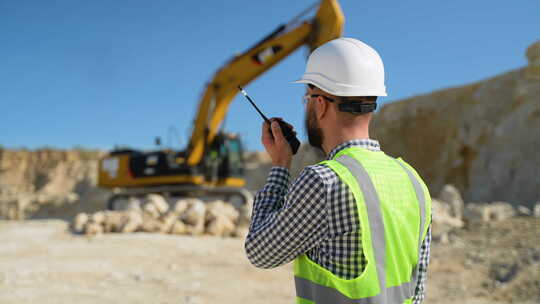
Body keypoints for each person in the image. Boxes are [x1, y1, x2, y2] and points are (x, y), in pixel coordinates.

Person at [244, 37, 432, 304]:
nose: (306, 105)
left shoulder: (325, 181)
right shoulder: (412, 180)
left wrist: (280, 165)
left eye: (307, 98)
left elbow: (260, 252)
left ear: (320, 104)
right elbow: (418, 289)